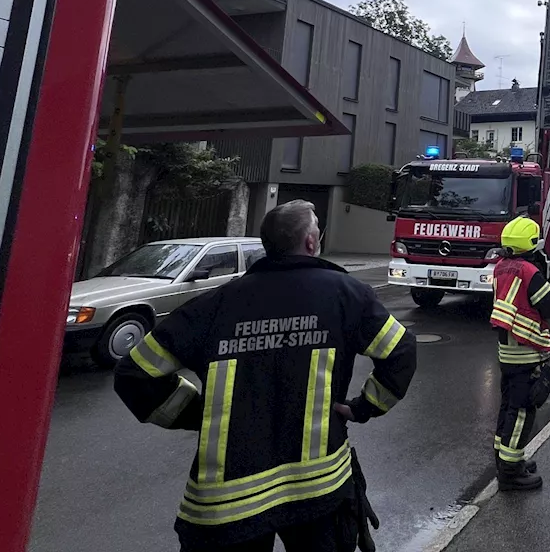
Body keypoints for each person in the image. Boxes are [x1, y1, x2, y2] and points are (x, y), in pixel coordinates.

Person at [115, 200, 418, 551]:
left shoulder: (216, 304)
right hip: (318, 488)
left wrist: (198, 413)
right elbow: (400, 352)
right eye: (317, 227)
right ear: (310, 242)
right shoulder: (344, 294)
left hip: (225, 505)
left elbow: (135, 372)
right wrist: (363, 407)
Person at [489, 216, 550, 491]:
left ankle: (504, 458)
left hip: (506, 353)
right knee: (522, 412)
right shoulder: (530, 272)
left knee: (508, 407)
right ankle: (510, 471)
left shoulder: (500, 268)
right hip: (527, 352)